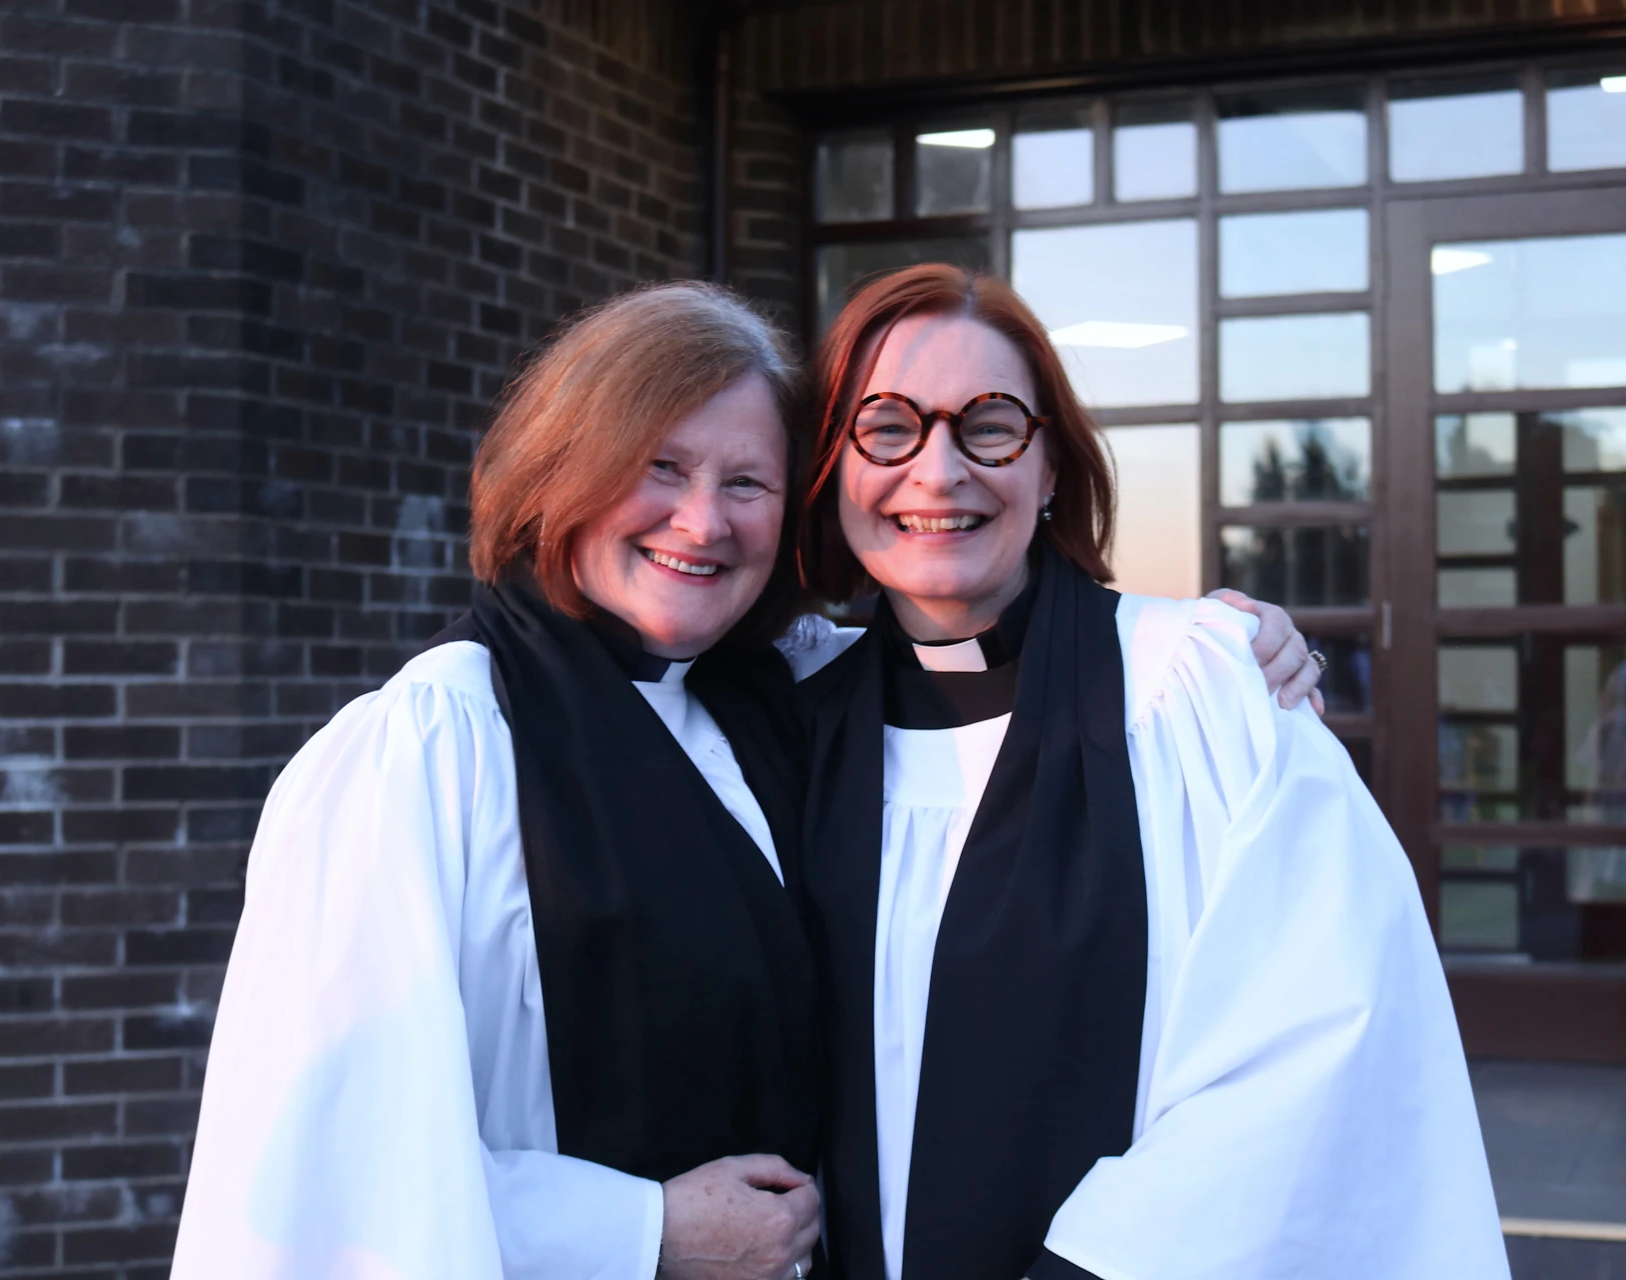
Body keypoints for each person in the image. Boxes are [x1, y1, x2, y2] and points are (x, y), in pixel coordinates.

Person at [171, 280, 1323, 1280]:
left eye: (747, 483)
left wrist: (1215, 650)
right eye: (658, 467)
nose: (700, 520)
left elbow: (978, 651)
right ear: (556, 471)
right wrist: (641, 1228)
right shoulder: (430, 751)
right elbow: (320, 1171)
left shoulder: (775, 704)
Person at [785, 264, 1507, 1280]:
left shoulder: (1196, 695)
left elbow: (1316, 1040)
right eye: (887, 426)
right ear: (830, 470)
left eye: (989, 424)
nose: (938, 469)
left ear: (1051, 469)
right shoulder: (785, 715)